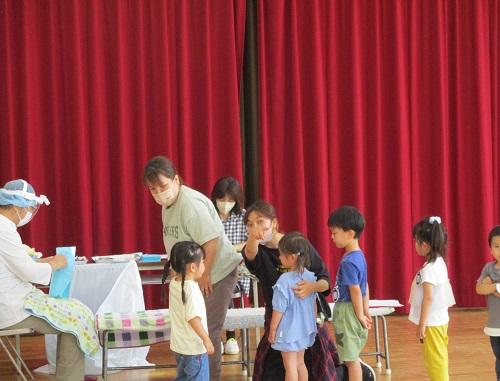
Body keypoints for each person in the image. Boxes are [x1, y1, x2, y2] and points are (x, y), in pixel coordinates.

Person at [143, 156, 242, 380]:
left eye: (163, 186)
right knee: (190, 332)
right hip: (193, 275)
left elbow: (211, 241)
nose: (159, 193)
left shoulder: (190, 204)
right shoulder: (168, 204)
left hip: (217, 273)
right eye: (153, 189)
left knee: (206, 333)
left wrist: (205, 274)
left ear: (176, 180)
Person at [0, 179, 98, 381]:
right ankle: (69, 377)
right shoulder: (4, 230)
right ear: (18, 206)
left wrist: (45, 261)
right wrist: (58, 263)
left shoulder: (4, 227)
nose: (28, 213)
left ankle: (71, 373)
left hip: (15, 299)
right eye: (28, 208)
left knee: (76, 311)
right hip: (11, 307)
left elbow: (14, 265)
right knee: (76, 320)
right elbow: (30, 273)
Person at [242, 200, 339, 381]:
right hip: (278, 318)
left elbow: (325, 280)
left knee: (310, 364)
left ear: (274, 223)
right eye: (250, 224)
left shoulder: (297, 244)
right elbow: (250, 254)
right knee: (278, 366)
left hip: (307, 315)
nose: (256, 227)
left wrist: (312, 287)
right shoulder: (258, 251)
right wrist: (253, 237)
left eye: (260, 221)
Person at [409, 216, 455, 381]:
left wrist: (422, 324)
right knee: (439, 357)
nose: (415, 245)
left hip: (433, 323)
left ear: (425, 245)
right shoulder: (440, 262)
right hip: (441, 320)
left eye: (416, 241)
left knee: (435, 361)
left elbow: (428, 298)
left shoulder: (429, 269)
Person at [328, 205, 371, 381]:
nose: (332, 237)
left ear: (350, 233)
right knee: (349, 357)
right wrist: (365, 309)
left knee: (351, 360)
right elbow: (365, 286)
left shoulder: (348, 262)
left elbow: (355, 289)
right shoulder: (359, 256)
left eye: (335, 233)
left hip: (348, 312)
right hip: (352, 310)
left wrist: (360, 314)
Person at [162, 241, 214, 381]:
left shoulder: (175, 282)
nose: (204, 265)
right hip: (194, 349)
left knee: (183, 377)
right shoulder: (190, 289)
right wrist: (206, 339)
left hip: (180, 347)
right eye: (202, 262)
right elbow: (193, 318)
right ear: (192, 267)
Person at [269, 232, 317, 381]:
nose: (279, 258)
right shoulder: (310, 277)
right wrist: (312, 323)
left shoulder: (284, 280)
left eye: (281, 255)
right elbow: (314, 304)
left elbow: (278, 309)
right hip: (304, 329)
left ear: (292, 257)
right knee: (300, 363)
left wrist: (272, 330)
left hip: (288, 331)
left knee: (289, 367)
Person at [210, 176, 250, 355]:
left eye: (230, 200)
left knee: (225, 285)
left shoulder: (244, 216)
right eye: (221, 199)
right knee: (212, 286)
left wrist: (232, 249)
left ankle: (231, 335)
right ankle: (217, 336)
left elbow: (251, 241)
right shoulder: (208, 215)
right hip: (212, 265)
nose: (225, 204)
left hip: (236, 266)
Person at [476, 225, 500, 381]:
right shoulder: (488, 268)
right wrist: (496, 287)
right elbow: (479, 288)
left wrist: (490, 285)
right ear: (491, 249)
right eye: (497, 246)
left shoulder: (490, 275)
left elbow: (487, 288)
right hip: (494, 326)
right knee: (499, 359)